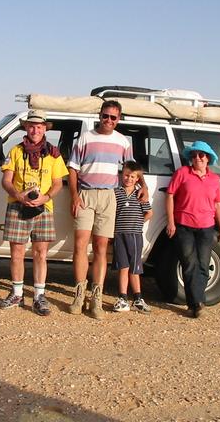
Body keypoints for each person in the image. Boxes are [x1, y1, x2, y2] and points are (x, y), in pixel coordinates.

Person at [67, 100, 148, 319]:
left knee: (101, 247)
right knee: (80, 245)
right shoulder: (85, 137)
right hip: (85, 194)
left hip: (109, 196)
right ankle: (79, 294)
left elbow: (132, 169)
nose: (109, 120)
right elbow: (73, 169)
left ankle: (97, 298)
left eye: (113, 117)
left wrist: (145, 188)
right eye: (105, 116)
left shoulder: (122, 141)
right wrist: (74, 196)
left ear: (118, 119)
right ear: (99, 115)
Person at [0, 109, 69, 316]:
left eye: (39, 126)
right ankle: (17, 293)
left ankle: (39, 296)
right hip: (17, 205)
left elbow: (57, 183)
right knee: (17, 253)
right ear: (26, 128)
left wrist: (45, 197)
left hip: (43, 207)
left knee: (40, 253)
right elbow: (6, 180)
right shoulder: (16, 151)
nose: (35, 129)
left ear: (45, 128)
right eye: (31, 125)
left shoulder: (54, 154)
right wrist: (19, 196)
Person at [166, 140, 220, 318]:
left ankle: (196, 303)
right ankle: (196, 303)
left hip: (207, 227)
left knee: (202, 264)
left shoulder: (215, 180)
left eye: (201, 155)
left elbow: (218, 205)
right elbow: (170, 196)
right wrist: (171, 222)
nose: (197, 158)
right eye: (194, 155)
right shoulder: (182, 173)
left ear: (208, 158)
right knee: (188, 264)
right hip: (184, 225)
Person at [112, 161, 153, 313]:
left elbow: (149, 212)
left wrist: (138, 223)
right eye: (127, 175)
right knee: (123, 266)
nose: (129, 178)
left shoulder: (139, 194)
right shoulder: (116, 193)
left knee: (135, 267)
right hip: (119, 234)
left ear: (137, 178)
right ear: (122, 175)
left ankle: (138, 299)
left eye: (133, 176)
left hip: (135, 235)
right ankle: (122, 298)